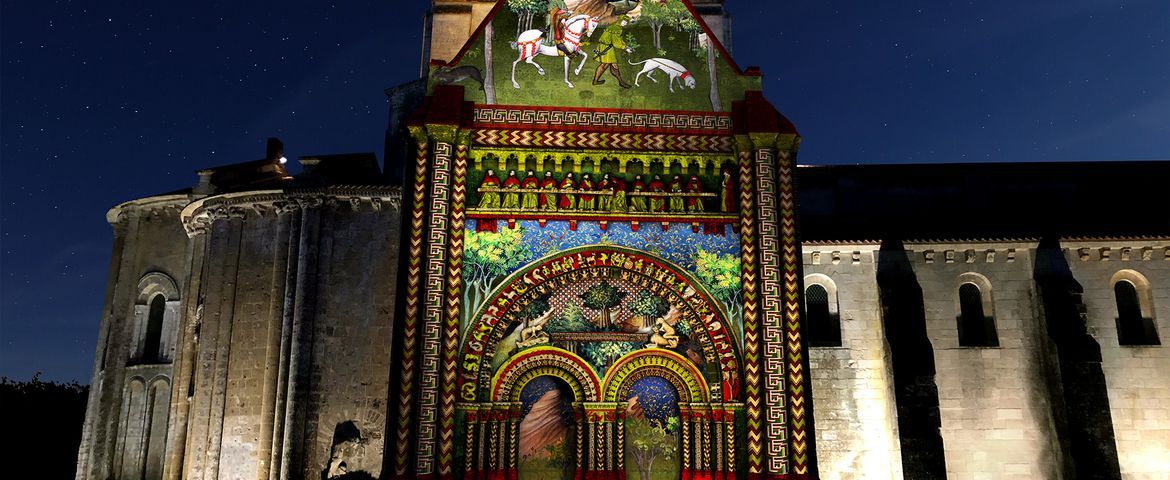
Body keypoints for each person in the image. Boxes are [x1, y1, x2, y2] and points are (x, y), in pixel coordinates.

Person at [592, 16, 633, 88]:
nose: (625, 24)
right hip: (606, 47)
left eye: (626, 22)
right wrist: (625, 48)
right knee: (607, 65)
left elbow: (618, 40)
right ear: (620, 21)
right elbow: (616, 42)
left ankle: (620, 82)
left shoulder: (614, 26)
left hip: (605, 46)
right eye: (624, 22)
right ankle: (621, 82)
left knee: (609, 65)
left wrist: (625, 46)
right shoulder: (616, 28)